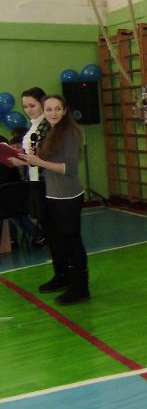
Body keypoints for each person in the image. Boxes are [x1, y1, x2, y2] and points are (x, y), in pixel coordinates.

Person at [19, 95, 90, 304]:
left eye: (57, 109)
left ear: (65, 110)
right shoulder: (52, 131)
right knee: (62, 242)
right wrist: (22, 159)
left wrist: (38, 161)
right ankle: (69, 280)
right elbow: (43, 161)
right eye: (49, 109)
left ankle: (81, 287)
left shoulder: (70, 132)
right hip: (53, 194)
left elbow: (68, 168)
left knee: (73, 242)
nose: (53, 113)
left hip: (68, 195)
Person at [9, 87, 49, 249]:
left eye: (32, 105)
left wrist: (22, 160)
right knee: (46, 222)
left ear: (42, 103)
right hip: (34, 178)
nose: (28, 110)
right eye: (25, 106)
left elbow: (45, 155)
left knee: (52, 224)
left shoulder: (47, 125)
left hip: (46, 180)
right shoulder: (34, 125)